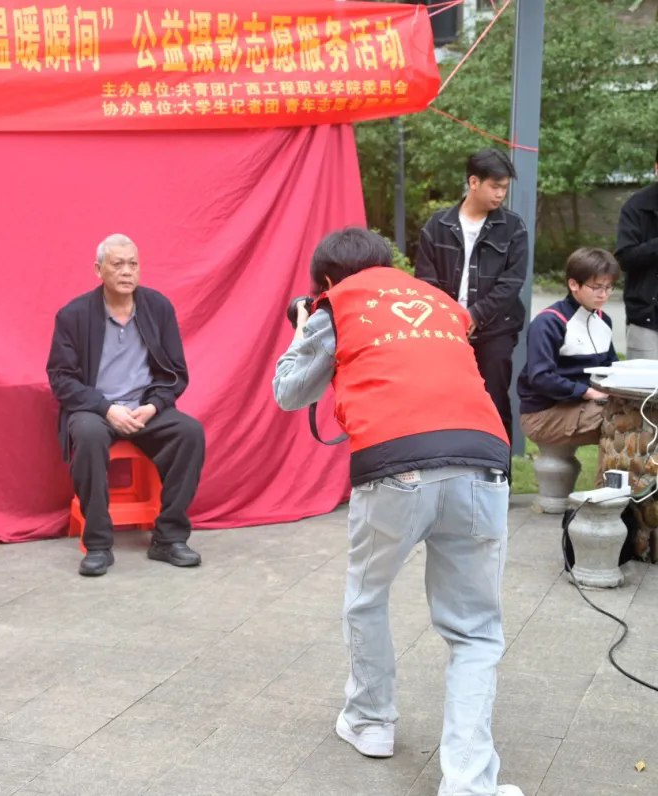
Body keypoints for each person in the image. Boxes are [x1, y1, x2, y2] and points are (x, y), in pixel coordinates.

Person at [273, 228, 524, 796]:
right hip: (483, 461)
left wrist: (304, 326)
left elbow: (289, 391)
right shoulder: (440, 301)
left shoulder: (336, 304)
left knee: (367, 596)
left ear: (327, 280)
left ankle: (371, 722)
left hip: (395, 466)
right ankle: (469, 785)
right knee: (476, 633)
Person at [46, 234, 205, 576]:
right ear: (98, 270)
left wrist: (154, 406)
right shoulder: (73, 315)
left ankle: (168, 538)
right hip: (96, 409)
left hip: (144, 407)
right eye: (117, 264)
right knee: (88, 436)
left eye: (133, 264)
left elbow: (176, 373)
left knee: (189, 433)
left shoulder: (158, 308)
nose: (126, 271)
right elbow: (61, 378)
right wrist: (106, 409)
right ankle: (99, 545)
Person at [415, 148, 529, 446]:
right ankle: (447, 465)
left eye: (505, 188)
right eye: (495, 186)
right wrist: (451, 319)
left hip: (495, 331)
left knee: (493, 404)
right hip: (444, 332)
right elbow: (426, 282)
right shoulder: (437, 226)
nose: (501, 194)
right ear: (474, 182)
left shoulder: (513, 228)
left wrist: (475, 315)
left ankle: (498, 471)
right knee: (443, 403)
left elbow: (511, 283)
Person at [517, 249, 619, 448]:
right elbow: (541, 377)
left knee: (639, 413)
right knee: (619, 421)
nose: (604, 294)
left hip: (583, 405)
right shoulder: (549, 322)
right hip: (542, 414)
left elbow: (611, 367)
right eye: (597, 287)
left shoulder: (603, 320)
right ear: (573, 284)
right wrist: (587, 392)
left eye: (609, 287)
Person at [615, 147, 658, 360]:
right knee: (644, 381)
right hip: (647, 321)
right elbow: (624, 258)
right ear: (657, 168)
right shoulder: (637, 206)